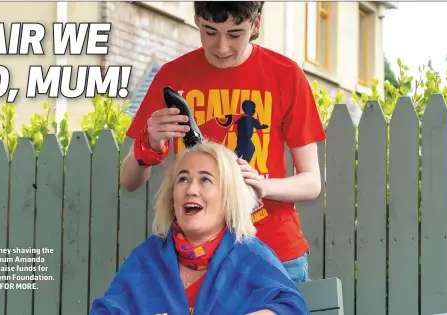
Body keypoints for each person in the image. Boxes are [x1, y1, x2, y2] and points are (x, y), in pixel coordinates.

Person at [119, 1, 325, 283]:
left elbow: (312, 182)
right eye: (210, 31)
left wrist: (262, 186)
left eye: (235, 34)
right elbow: (129, 180)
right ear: (196, 21)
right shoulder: (172, 76)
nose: (222, 46)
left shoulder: (286, 75)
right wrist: (151, 142)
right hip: (195, 258)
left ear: (256, 24)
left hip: (275, 254)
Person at [90, 141, 310, 315]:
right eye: (183, 179)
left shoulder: (251, 255)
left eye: (205, 180)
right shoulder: (147, 257)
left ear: (228, 197)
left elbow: (290, 308)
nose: (191, 190)